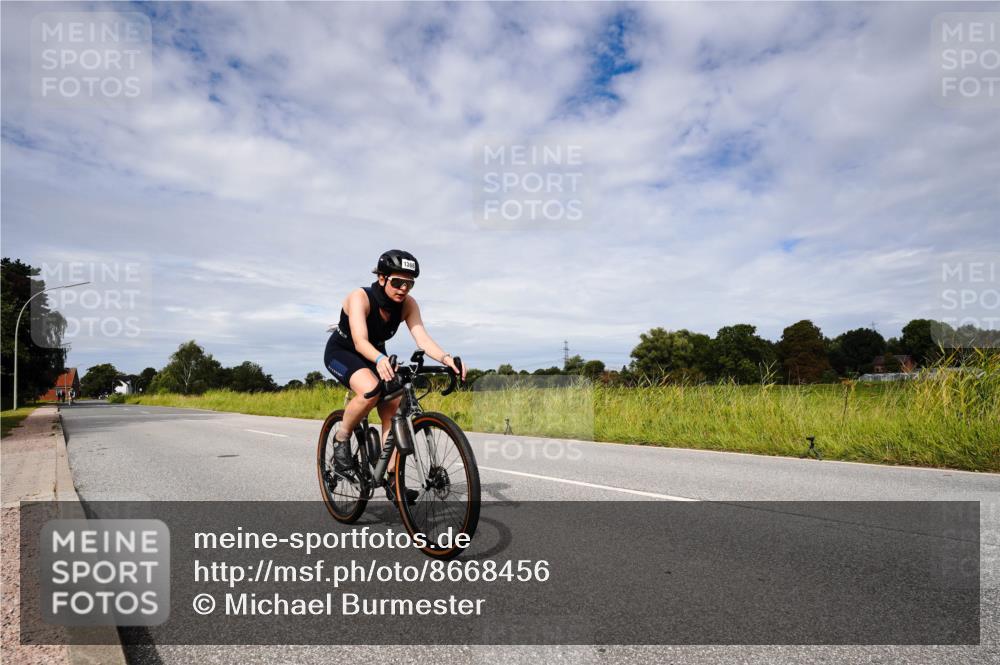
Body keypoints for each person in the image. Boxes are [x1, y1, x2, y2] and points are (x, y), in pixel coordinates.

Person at [323, 250, 467, 504]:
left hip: (375, 353)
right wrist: (379, 360)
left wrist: (446, 359)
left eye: (409, 284)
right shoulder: (360, 297)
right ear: (381, 278)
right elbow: (359, 341)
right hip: (343, 351)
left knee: (393, 408)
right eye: (397, 282)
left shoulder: (408, 305)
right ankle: (341, 439)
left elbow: (421, 337)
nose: (403, 289)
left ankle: (391, 478)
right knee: (370, 389)